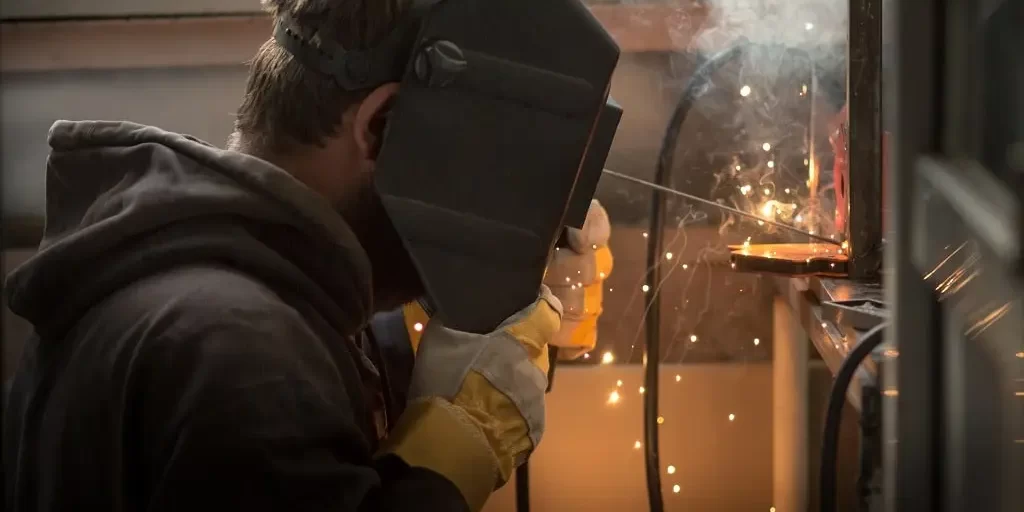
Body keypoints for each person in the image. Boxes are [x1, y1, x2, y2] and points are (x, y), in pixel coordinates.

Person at [2, 1, 613, 511]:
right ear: (384, 127)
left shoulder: (200, 278)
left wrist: (430, 338)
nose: (504, 220)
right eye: (493, 184)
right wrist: (454, 453)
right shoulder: (236, 352)